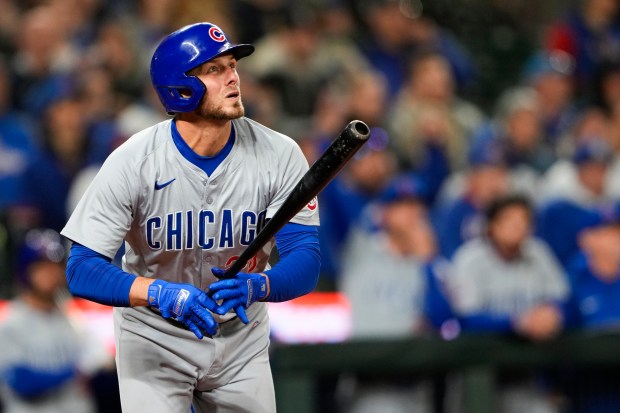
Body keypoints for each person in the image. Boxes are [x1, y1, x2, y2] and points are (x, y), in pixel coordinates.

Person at [60, 22, 321, 413]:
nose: (233, 77)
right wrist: (159, 292)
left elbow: (307, 257)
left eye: (233, 65)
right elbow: (81, 268)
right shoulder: (133, 162)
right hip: (154, 334)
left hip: (241, 336)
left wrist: (259, 285)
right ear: (179, 87)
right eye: (214, 69)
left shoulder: (279, 154)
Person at [0, 228, 107, 413]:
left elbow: (101, 357)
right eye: (41, 267)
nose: (50, 274)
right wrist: (76, 371)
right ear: (26, 272)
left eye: (55, 266)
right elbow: (22, 383)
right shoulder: (11, 322)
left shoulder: (72, 317)